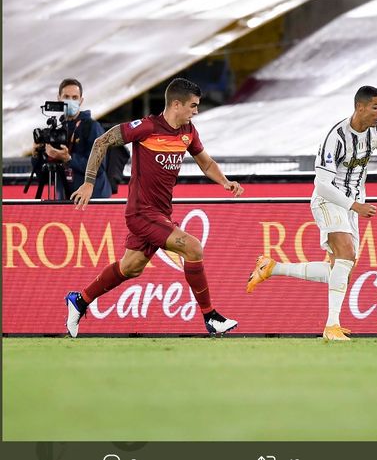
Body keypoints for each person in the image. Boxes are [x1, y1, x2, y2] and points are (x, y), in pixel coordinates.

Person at [65, 78, 244, 337]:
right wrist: (88, 184)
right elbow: (101, 142)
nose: (196, 111)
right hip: (141, 213)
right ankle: (211, 317)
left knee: (131, 267)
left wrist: (225, 182)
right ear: (176, 104)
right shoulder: (147, 127)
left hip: (161, 214)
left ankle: (79, 300)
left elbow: (205, 163)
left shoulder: (189, 131)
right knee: (192, 247)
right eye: (193, 106)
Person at [246, 85, 377, 341]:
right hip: (327, 200)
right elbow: (321, 184)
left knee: (341, 268)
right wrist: (355, 206)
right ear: (360, 107)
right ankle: (331, 326)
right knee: (346, 255)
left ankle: (271, 268)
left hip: (351, 203)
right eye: (376, 107)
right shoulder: (337, 137)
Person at [32, 78, 112, 199]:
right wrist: (35, 156)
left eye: (74, 98)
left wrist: (68, 159)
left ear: (81, 100)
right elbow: (41, 176)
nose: (70, 101)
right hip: (65, 198)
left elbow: (99, 167)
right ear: (59, 98)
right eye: (66, 97)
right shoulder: (56, 130)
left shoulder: (92, 127)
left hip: (93, 200)